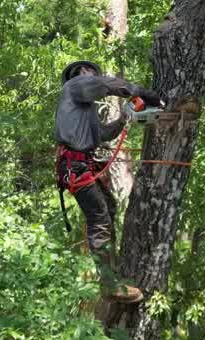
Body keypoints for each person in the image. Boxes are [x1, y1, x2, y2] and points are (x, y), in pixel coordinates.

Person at [54, 60, 165, 303]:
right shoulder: (75, 86)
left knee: (108, 210)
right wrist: (140, 91)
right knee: (99, 217)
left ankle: (111, 274)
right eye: (86, 73)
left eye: (91, 72)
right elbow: (103, 84)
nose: (89, 75)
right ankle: (109, 284)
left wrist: (125, 117)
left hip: (82, 164)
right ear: (78, 75)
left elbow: (102, 134)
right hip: (75, 166)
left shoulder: (85, 109)